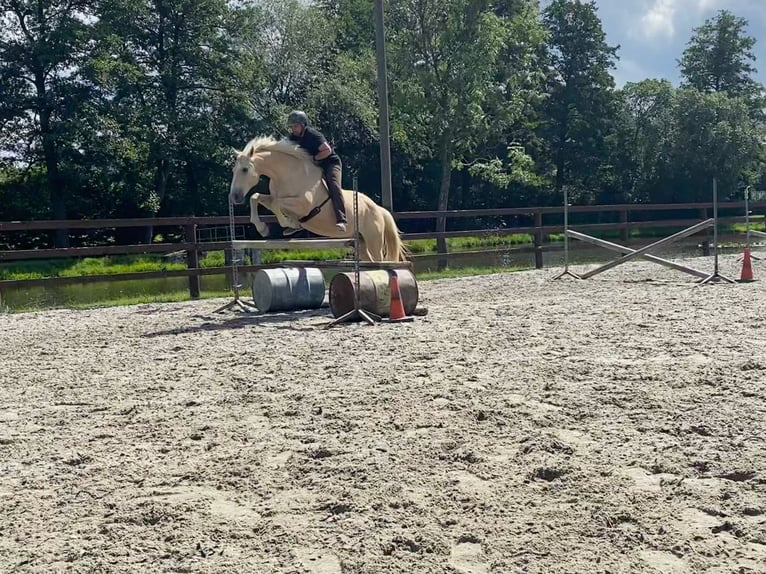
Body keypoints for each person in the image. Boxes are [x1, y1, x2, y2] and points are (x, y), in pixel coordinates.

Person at [285, 110, 347, 234]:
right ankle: (296, 221)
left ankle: (342, 219)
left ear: (303, 125)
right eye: (292, 127)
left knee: (333, 185)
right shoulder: (293, 138)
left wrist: (314, 158)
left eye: (295, 126)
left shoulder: (313, 135)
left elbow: (327, 150)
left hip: (329, 163)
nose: (293, 129)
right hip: (313, 167)